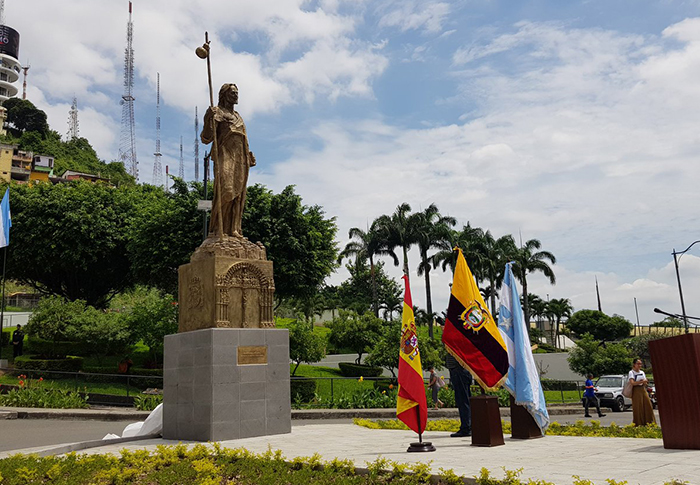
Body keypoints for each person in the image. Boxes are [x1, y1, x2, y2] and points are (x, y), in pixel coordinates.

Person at [201, 83, 256, 237]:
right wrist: (208, 119)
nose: (236, 95)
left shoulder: (239, 117)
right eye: (232, 93)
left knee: (238, 195)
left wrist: (249, 154)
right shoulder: (218, 112)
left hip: (241, 158)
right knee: (226, 190)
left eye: (237, 93)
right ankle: (218, 229)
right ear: (224, 95)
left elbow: (243, 139)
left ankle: (234, 229)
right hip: (225, 154)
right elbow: (206, 138)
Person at [446, 352, 472, 437]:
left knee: (463, 400)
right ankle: (468, 426)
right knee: (463, 399)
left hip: (459, 369)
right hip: (459, 369)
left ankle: (466, 428)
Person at [629, 358, 656, 426]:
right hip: (636, 390)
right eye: (638, 364)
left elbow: (645, 382)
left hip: (643, 389)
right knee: (638, 407)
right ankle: (638, 423)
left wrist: (645, 382)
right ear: (634, 364)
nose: (639, 365)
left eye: (640, 364)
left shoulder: (642, 372)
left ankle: (649, 422)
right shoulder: (631, 372)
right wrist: (641, 381)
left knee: (648, 405)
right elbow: (632, 383)